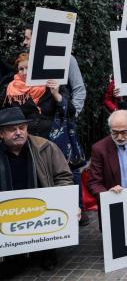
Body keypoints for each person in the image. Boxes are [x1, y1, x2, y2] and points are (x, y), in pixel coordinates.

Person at [0, 107, 74, 274]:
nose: (18, 132)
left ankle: (44, 252)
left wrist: (63, 204)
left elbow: (64, 178)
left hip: (40, 214)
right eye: (12, 129)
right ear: (1, 134)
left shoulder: (46, 147)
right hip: (8, 216)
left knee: (43, 254)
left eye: (22, 128)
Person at [1, 53, 74, 138]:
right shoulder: (11, 90)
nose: (25, 73)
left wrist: (57, 95)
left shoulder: (52, 84)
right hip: (24, 141)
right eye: (21, 69)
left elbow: (71, 113)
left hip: (53, 140)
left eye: (28, 68)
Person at [24, 24, 86, 117]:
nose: (24, 42)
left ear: (38, 38)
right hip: (35, 121)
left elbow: (79, 89)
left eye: (27, 38)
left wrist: (72, 114)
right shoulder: (27, 61)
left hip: (59, 118)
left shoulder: (67, 59)